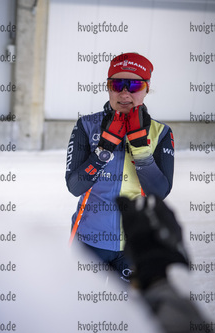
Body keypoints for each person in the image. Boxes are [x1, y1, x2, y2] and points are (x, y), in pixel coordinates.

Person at [65, 52, 175, 281]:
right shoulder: (86, 125)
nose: (125, 93)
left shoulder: (160, 132)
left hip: (136, 243)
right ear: (108, 87)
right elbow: (75, 186)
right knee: (79, 310)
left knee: (128, 314)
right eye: (117, 84)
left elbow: (159, 192)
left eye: (134, 84)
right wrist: (103, 150)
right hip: (89, 242)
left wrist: (141, 151)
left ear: (146, 88)